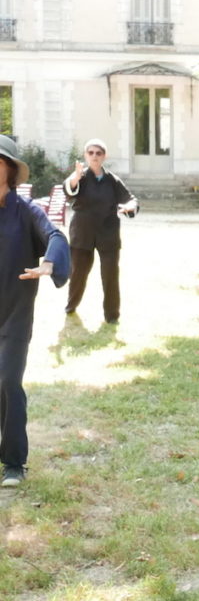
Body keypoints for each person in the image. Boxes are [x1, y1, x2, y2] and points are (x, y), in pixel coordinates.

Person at [0, 135, 71, 487]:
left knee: (9, 383)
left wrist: (49, 262)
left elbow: (56, 236)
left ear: (10, 171)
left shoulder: (26, 211)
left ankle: (13, 462)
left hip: (15, 314)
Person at [63, 139, 139, 324]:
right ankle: (71, 306)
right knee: (78, 273)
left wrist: (130, 206)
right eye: (91, 152)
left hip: (108, 233)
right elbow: (69, 190)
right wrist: (75, 177)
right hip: (83, 233)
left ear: (104, 156)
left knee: (110, 275)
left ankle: (112, 316)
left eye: (98, 153)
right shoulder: (79, 176)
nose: (95, 156)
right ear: (85, 156)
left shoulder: (112, 180)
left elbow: (131, 199)